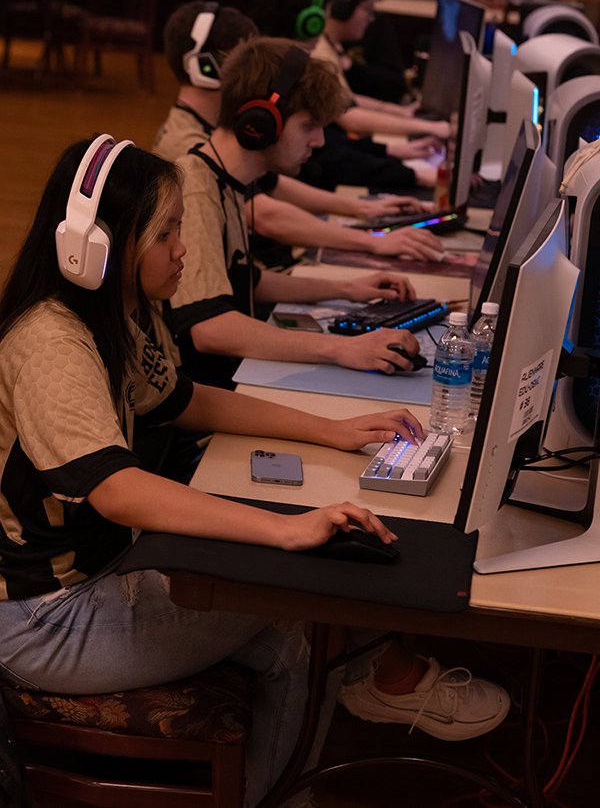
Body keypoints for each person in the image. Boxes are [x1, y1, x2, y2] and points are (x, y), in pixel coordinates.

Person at [0, 136, 510, 808]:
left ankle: (366, 686)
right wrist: (284, 530)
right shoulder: (50, 343)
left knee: (298, 588)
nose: (184, 248)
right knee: (297, 623)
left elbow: (182, 400)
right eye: (166, 233)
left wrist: (332, 431)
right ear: (92, 246)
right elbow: (118, 491)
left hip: (102, 575)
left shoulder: (116, 313)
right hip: (45, 620)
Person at [163, 34, 445, 391]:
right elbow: (211, 329)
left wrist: (347, 288)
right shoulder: (196, 188)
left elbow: (246, 281)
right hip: (201, 403)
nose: (320, 142)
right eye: (308, 126)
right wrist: (343, 348)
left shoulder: (229, 179)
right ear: (261, 123)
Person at [155, 0, 445, 265]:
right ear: (206, 68)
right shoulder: (188, 147)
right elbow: (265, 214)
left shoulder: (219, 130)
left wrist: (363, 209)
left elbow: (271, 184)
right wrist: (372, 241)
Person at [250, 0, 447, 193]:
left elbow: (332, 137)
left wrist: (388, 151)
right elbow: (332, 146)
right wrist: (412, 170)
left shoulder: (275, 61)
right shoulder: (290, 69)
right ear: (310, 20)